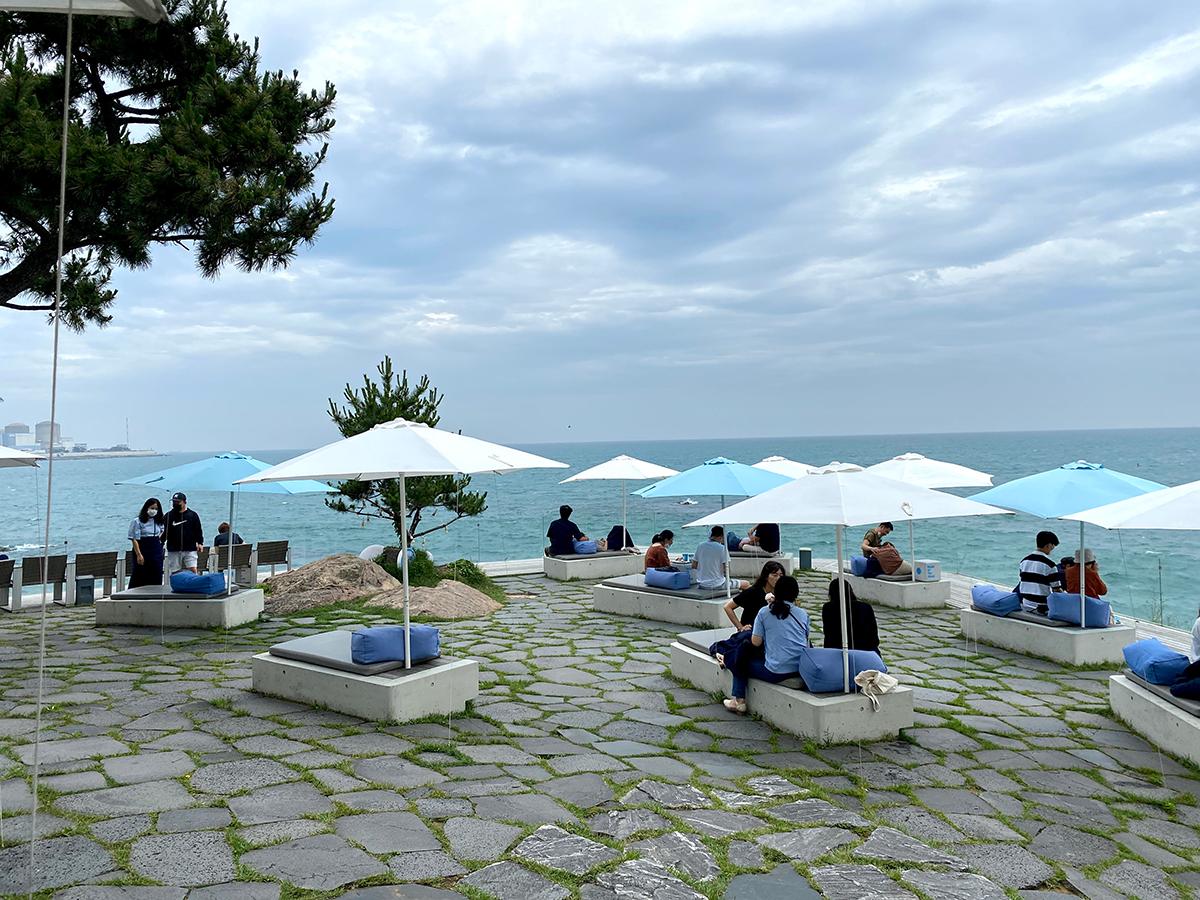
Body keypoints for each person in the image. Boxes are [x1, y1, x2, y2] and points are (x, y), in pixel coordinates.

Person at [721, 575, 810, 714]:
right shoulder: (802, 614)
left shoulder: (765, 612)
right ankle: (726, 661)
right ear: (796, 593)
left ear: (776, 591)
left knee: (740, 655)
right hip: (800, 667)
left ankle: (739, 700)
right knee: (740, 654)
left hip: (776, 671)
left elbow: (756, 642)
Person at [822, 578, 880, 653]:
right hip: (867, 652)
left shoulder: (828, 608)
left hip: (838, 652)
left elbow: (829, 636)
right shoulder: (865, 607)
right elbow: (874, 637)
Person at [724, 561, 785, 630]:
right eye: (775, 575)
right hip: (751, 632)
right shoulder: (753, 591)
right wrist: (740, 627)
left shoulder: (781, 593)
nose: (778, 578)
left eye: (781, 575)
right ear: (766, 576)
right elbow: (728, 607)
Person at [1017, 530, 1064, 613]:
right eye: (1053, 546)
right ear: (1048, 545)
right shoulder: (1050, 565)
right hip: (1042, 607)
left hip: (1026, 603)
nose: (1052, 548)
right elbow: (1056, 590)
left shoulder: (1024, 561)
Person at [693, 526, 749, 592]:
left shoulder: (700, 546)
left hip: (702, 584)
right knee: (746, 584)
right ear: (721, 537)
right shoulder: (722, 548)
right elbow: (727, 570)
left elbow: (694, 565)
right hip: (718, 584)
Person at [127, 497, 166, 587]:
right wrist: (139, 554)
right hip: (143, 547)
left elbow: (162, 531)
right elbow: (134, 539)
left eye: (156, 509)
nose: (154, 510)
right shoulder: (137, 521)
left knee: (156, 572)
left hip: (156, 549)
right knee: (140, 573)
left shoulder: (159, 521)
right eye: (152, 508)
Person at [165, 492, 204, 575]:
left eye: (178, 502)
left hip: (190, 547)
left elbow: (198, 530)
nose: (175, 504)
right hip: (173, 548)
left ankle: (192, 586)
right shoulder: (168, 516)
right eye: (174, 502)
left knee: (193, 569)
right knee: (175, 571)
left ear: (184, 502)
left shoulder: (192, 515)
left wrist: (200, 543)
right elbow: (164, 532)